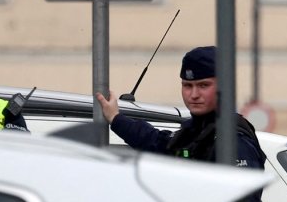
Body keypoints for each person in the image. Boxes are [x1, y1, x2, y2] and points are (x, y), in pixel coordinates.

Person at [95, 45, 264, 168]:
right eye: (187, 86)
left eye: (203, 86)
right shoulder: (195, 131)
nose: (194, 94)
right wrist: (116, 118)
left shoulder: (232, 140)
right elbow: (157, 143)